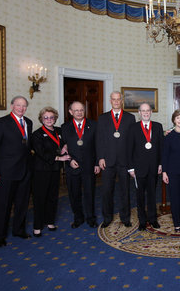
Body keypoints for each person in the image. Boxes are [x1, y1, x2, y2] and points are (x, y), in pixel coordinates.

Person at [0, 95, 33, 247]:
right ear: (12, 105)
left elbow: (26, 146)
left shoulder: (29, 122)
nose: (21, 108)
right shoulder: (0, 123)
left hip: (25, 171)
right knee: (3, 205)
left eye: (24, 106)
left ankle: (18, 230)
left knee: (22, 203)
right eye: (18, 105)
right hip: (5, 173)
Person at [96, 91, 136, 228]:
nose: (116, 101)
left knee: (125, 191)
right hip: (107, 161)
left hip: (124, 161)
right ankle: (107, 218)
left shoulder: (130, 118)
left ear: (122, 100)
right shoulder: (102, 118)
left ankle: (125, 218)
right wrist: (100, 157)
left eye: (119, 99)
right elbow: (99, 140)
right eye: (114, 99)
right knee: (107, 191)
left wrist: (132, 162)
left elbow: (132, 141)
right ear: (110, 101)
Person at [31, 107, 71, 237]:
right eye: (46, 117)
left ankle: (50, 221)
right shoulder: (36, 134)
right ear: (41, 119)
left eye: (51, 117)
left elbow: (65, 142)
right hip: (41, 170)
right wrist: (60, 158)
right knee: (40, 197)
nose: (49, 120)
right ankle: (37, 225)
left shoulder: (59, 131)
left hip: (55, 169)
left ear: (55, 118)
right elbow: (40, 153)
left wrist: (65, 146)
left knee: (53, 197)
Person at [61, 101, 100, 229]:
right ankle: (78, 218)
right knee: (74, 194)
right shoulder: (65, 127)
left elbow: (98, 146)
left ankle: (91, 218)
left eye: (81, 110)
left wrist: (97, 163)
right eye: (76, 110)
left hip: (89, 166)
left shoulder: (93, 125)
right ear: (70, 112)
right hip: (73, 166)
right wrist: (69, 160)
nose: (79, 112)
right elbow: (62, 148)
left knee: (90, 193)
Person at [127, 102, 164, 231]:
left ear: (151, 112)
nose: (146, 113)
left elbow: (161, 148)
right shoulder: (133, 128)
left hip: (154, 167)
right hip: (138, 169)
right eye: (143, 111)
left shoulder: (158, 127)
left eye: (148, 110)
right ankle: (142, 221)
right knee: (140, 196)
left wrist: (161, 164)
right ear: (139, 113)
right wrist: (131, 168)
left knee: (153, 195)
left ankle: (153, 219)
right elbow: (129, 149)